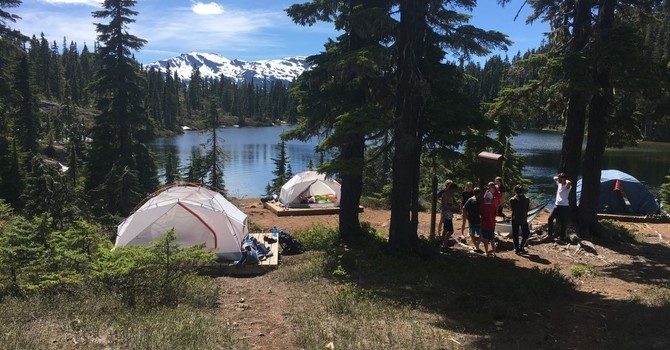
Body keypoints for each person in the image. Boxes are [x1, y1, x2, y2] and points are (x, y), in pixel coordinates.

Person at [548, 172, 572, 239]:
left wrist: (565, 180)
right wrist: (559, 178)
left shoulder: (567, 186)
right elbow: (554, 177)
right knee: (550, 218)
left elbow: (569, 182)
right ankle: (550, 235)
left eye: (560, 179)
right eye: (558, 179)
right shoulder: (559, 184)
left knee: (563, 222)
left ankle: (562, 237)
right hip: (557, 205)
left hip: (564, 206)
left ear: (563, 179)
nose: (558, 180)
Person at [510, 184, 530, 254]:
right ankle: (521, 247)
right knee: (526, 233)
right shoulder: (526, 199)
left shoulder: (512, 199)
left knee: (515, 234)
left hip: (515, 218)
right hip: (523, 219)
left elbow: (512, 209)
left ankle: (516, 248)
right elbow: (527, 209)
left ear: (515, 191)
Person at [440, 180, 460, 250]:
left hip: (449, 214)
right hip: (446, 215)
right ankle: (444, 244)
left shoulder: (451, 195)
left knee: (445, 230)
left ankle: (442, 243)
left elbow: (452, 203)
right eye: (454, 190)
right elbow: (445, 206)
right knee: (451, 231)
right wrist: (454, 208)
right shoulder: (445, 195)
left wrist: (456, 207)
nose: (454, 192)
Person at [462, 187, 482, 252]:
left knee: (472, 234)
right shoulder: (478, 201)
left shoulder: (470, 200)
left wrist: (466, 216)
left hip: (471, 219)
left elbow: (464, 208)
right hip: (477, 219)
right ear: (479, 193)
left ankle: (476, 246)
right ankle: (477, 245)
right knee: (481, 233)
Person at [479, 191, 497, 257]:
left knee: (485, 238)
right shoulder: (493, 206)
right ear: (491, 198)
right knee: (492, 238)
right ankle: (494, 252)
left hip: (484, 224)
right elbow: (495, 214)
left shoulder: (482, 206)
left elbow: (480, 214)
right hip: (491, 224)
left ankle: (486, 252)